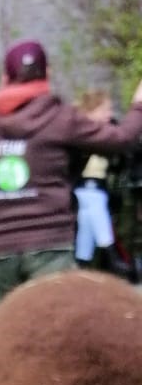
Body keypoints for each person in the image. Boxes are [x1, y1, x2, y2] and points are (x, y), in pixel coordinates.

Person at [0, 41, 142, 299]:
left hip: (2, 249)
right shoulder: (62, 119)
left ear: (5, 78)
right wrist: (139, 105)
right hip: (50, 244)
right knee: (58, 330)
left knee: (13, 333)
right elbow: (122, 139)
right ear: (48, 74)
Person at [74, 89, 116, 269]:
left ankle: (82, 261)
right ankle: (110, 252)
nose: (109, 114)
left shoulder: (110, 131)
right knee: (95, 206)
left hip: (97, 187)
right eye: (105, 110)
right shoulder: (80, 133)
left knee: (86, 226)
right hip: (85, 187)